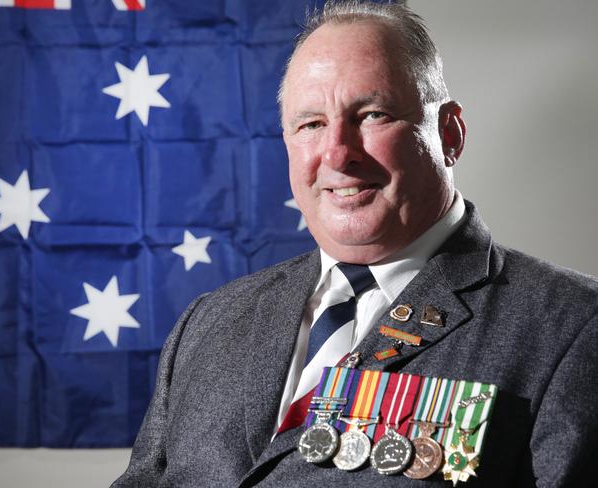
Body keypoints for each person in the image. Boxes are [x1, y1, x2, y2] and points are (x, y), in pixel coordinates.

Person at [112, 2, 598, 487]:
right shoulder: (209, 323)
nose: (338, 154)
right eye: (311, 124)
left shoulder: (573, 329)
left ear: (449, 133)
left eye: (372, 114)